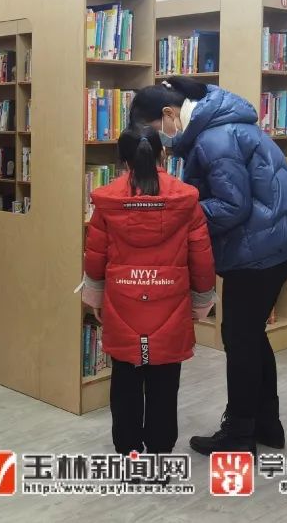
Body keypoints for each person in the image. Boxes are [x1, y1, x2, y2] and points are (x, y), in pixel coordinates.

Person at [129, 76, 287, 455]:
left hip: (265, 243)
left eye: (154, 129)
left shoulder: (214, 138)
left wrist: (177, 210)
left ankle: (240, 434)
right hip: (282, 232)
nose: (159, 138)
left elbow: (233, 205)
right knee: (249, 333)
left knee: (239, 335)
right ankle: (266, 425)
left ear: (168, 114)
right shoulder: (217, 122)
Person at [81, 124, 216, 454]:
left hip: (122, 302)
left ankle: (128, 453)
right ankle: (159, 457)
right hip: (171, 304)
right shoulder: (186, 198)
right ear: (163, 154)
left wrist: (95, 297)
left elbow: (95, 256)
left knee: (125, 384)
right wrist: (200, 303)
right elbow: (201, 257)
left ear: (122, 161)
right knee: (165, 386)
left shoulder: (108, 201)